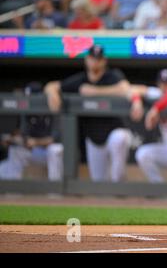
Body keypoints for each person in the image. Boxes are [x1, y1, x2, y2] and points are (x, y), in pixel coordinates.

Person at [44, 45, 132, 182]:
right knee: (99, 182)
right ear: (86, 59)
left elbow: (126, 89)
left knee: (120, 139)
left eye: (98, 59)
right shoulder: (81, 79)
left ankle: (119, 181)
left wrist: (94, 91)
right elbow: (52, 85)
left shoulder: (113, 75)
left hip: (114, 131)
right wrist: (52, 94)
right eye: (92, 58)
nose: (95, 62)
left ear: (104, 61)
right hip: (94, 138)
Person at [0, 82, 62, 181]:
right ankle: (13, 191)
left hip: (49, 152)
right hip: (34, 151)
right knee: (15, 150)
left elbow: (56, 138)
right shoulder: (26, 111)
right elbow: (25, 137)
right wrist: (13, 140)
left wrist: (36, 142)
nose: (29, 100)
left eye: (32, 97)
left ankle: (55, 190)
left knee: (55, 149)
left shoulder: (52, 107)